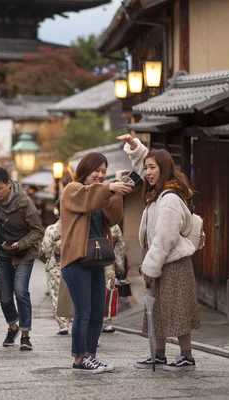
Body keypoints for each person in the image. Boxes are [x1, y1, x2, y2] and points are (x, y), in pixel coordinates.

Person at [120, 133, 200, 372]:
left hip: (172, 263)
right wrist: (136, 148)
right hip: (162, 262)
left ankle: (186, 356)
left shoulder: (169, 199)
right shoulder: (160, 191)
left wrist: (151, 267)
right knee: (158, 310)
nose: (147, 172)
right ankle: (159, 355)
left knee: (178, 310)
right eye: (146, 168)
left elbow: (164, 239)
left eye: (152, 168)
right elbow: (149, 161)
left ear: (163, 169)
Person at [60, 152, 133, 373]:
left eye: (104, 171)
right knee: (83, 310)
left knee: (98, 310)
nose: (100, 175)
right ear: (85, 170)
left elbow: (113, 217)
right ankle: (79, 359)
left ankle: (91, 355)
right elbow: (88, 196)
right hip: (76, 259)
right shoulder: (73, 189)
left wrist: (117, 190)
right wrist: (110, 186)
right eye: (97, 170)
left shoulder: (99, 194)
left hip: (96, 259)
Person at [0, 167, 43, 350]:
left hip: (24, 252)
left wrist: (21, 244)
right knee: (5, 297)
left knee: (21, 291)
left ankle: (25, 334)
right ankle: (13, 327)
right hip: (2, 253)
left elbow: (37, 230)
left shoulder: (25, 202)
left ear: (9, 184)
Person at [41, 200, 71, 334]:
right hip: (74, 264)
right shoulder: (77, 227)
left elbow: (46, 249)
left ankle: (63, 324)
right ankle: (72, 320)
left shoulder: (51, 229)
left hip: (55, 265)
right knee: (72, 293)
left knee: (56, 295)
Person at [102, 224, 126, 333]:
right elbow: (119, 247)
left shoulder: (88, 218)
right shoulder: (114, 226)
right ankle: (107, 321)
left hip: (91, 260)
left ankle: (95, 321)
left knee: (94, 290)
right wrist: (120, 266)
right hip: (109, 261)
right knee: (108, 290)